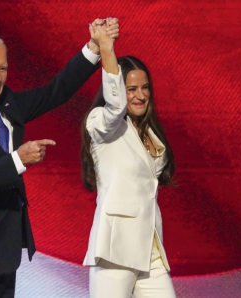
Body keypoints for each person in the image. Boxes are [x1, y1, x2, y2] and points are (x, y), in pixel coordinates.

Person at [0, 20, 119, 298]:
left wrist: (93, 47)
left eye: (2, 68)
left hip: (3, 251)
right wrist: (18, 159)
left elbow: (56, 92)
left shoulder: (7, 103)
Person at [81, 21, 177, 298]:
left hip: (150, 249)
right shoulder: (102, 124)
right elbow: (115, 105)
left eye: (145, 88)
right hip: (116, 249)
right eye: (132, 88)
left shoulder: (150, 133)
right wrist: (107, 49)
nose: (141, 95)